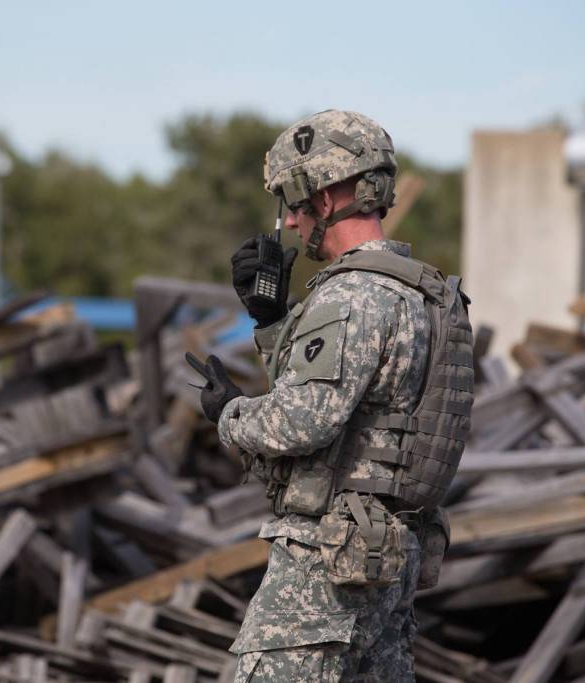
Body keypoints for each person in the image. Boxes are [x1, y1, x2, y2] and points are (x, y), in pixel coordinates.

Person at [189, 110, 473, 682]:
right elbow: (366, 413)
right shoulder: (425, 292)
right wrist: (272, 321)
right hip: (387, 558)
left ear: (324, 199)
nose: (291, 224)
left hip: (326, 567)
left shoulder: (352, 295)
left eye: (294, 204)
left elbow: (302, 422)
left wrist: (229, 414)